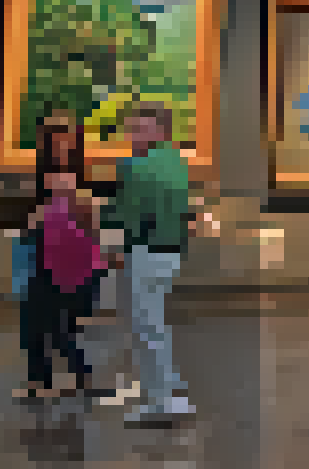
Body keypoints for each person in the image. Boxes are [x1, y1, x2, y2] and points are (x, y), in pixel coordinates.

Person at [105, 101, 204, 425]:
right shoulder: (176, 161)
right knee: (155, 323)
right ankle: (169, 391)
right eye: (131, 128)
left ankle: (161, 402)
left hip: (145, 252)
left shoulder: (139, 167)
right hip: (169, 253)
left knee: (146, 327)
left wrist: (107, 237)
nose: (132, 135)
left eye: (139, 128)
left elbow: (124, 216)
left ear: (160, 130)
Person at [18, 111, 103, 403]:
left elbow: (91, 224)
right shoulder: (39, 177)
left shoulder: (80, 179)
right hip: (40, 251)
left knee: (60, 326)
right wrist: (34, 222)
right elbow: (29, 220)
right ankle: (39, 380)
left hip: (70, 258)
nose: (60, 147)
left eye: (65, 141)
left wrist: (75, 200)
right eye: (54, 141)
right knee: (33, 321)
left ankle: (81, 375)